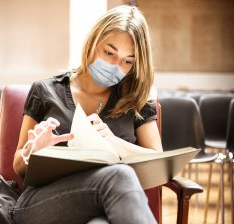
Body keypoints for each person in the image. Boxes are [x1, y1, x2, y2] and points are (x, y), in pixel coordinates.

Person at [11, 5, 162, 224]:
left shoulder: (136, 100)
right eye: (109, 52)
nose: (115, 65)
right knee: (119, 175)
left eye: (127, 61)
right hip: (42, 204)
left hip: (106, 205)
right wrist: (34, 151)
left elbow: (157, 163)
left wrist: (118, 145)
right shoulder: (45, 91)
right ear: (92, 42)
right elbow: (18, 166)